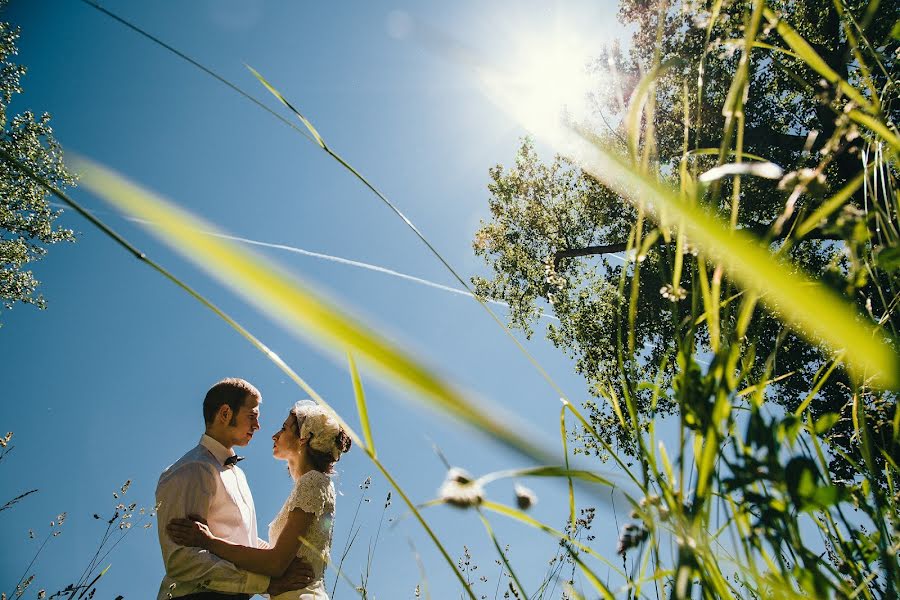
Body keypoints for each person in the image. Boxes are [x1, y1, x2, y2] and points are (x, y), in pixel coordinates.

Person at [167, 400, 352, 600]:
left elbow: (275, 563)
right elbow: (275, 553)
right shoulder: (309, 485)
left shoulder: (313, 482)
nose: (275, 435)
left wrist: (208, 541)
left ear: (304, 438)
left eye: (284, 428)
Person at [156, 378, 315, 600]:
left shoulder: (238, 475)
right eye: (252, 416)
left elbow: (244, 540)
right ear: (225, 414)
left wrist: (282, 560)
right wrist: (266, 583)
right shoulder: (192, 469)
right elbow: (181, 561)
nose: (258, 426)